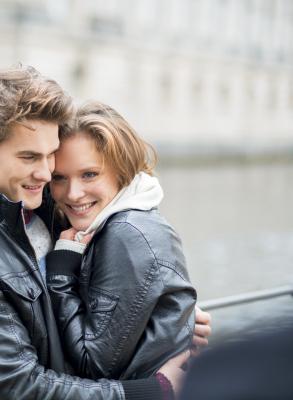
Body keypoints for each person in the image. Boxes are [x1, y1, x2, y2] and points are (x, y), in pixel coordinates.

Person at [0, 65, 210, 400]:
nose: (46, 172)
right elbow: (19, 389)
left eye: (51, 155)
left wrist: (161, 321)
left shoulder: (49, 203)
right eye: (29, 156)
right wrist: (152, 391)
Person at [45, 100, 196, 385]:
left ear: (121, 169)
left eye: (89, 174)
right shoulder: (122, 221)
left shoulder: (126, 234)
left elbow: (93, 364)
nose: (73, 193)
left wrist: (61, 273)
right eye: (59, 178)